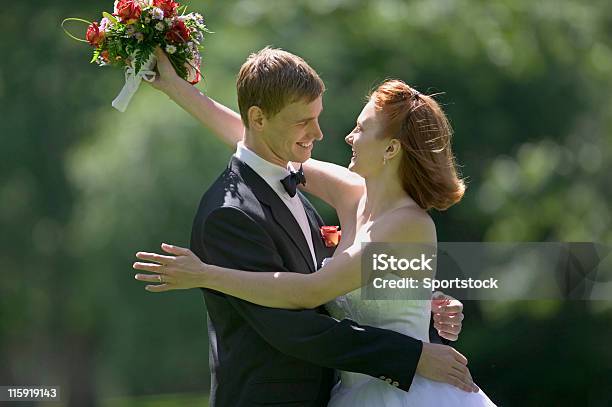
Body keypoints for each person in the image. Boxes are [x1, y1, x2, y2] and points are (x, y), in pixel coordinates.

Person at [134, 47, 494, 406]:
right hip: (351, 390)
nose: (345, 137)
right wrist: (177, 89)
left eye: (361, 129)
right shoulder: (351, 192)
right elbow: (254, 141)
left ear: (391, 149)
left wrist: (206, 275)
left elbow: (309, 292)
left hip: (405, 392)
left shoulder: (407, 223)